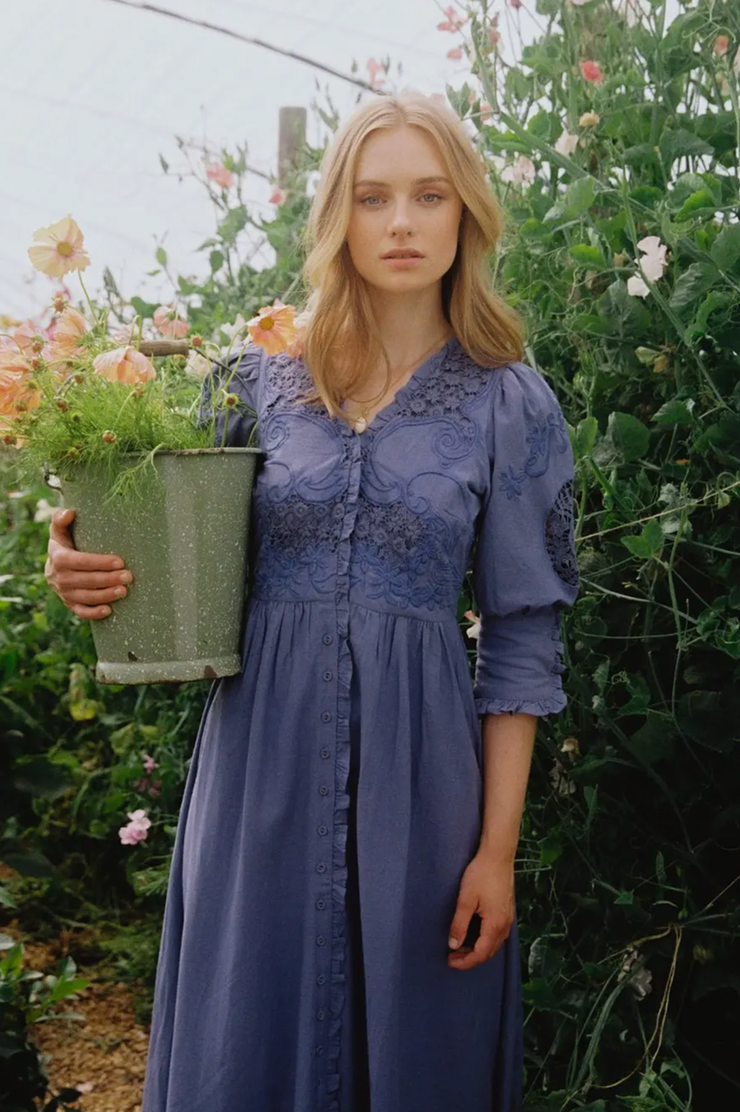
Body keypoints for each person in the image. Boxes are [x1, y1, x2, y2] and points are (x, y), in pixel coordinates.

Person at [45, 92, 580, 1112]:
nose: (401, 223)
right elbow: (144, 529)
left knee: (417, 1053)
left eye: (428, 195)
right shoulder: (255, 378)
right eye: (372, 197)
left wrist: (495, 851)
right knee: (238, 1043)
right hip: (258, 774)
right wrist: (70, 555)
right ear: (337, 216)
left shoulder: (510, 399)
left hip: (425, 793)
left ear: (464, 211)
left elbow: (521, 639)